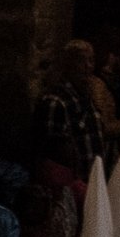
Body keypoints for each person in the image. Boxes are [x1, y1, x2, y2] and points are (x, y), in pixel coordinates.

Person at [32, 40, 105, 182]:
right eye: (81, 61)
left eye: (91, 60)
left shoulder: (86, 98)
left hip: (93, 182)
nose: (88, 67)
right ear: (68, 65)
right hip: (70, 186)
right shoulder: (56, 102)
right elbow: (52, 154)